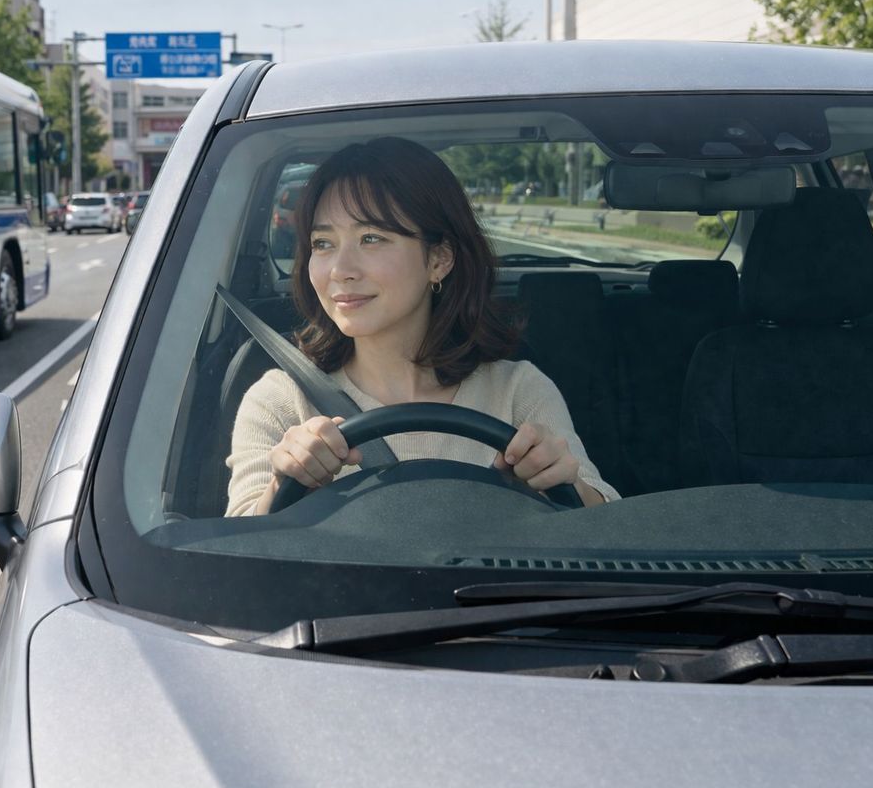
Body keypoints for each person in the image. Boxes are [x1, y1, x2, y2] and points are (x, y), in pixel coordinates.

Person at [225, 137, 620, 516]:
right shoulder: (280, 401)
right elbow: (232, 556)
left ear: (439, 260)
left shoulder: (518, 391)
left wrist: (564, 484)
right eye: (323, 244)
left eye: (371, 238)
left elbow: (611, 526)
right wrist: (284, 487)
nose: (340, 271)